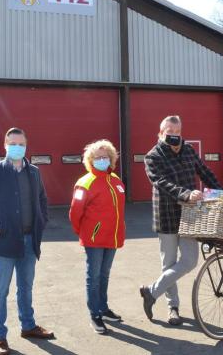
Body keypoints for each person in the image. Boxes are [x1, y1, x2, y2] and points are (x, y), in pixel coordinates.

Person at [0, 127, 54, 355]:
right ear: (5, 146)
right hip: (4, 242)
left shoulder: (34, 172)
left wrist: (41, 222)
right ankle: (0, 337)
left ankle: (28, 326)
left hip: (29, 240)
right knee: (0, 291)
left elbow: (43, 200)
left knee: (25, 288)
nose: (17, 147)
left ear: (26, 145)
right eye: (13, 143)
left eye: (21, 143)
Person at [139, 115, 221, 326]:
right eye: (169, 131)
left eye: (177, 132)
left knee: (190, 261)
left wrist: (220, 193)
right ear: (161, 133)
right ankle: (172, 307)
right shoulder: (152, 156)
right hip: (166, 215)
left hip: (190, 217)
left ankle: (151, 291)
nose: (174, 135)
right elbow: (161, 182)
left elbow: (204, 172)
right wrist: (186, 193)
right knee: (168, 263)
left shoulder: (188, 150)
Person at [69, 139, 126, 334]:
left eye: (105, 157)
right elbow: (75, 213)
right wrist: (84, 233)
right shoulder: (85, 182)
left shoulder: (116, 180)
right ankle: (94, 314)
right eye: (98, 157)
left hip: (113, 237)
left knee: (104, 274)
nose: (102, 160)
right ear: (90, 160)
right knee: (93, 276)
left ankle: (103, 307)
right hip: (94, 239)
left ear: (111, 158)